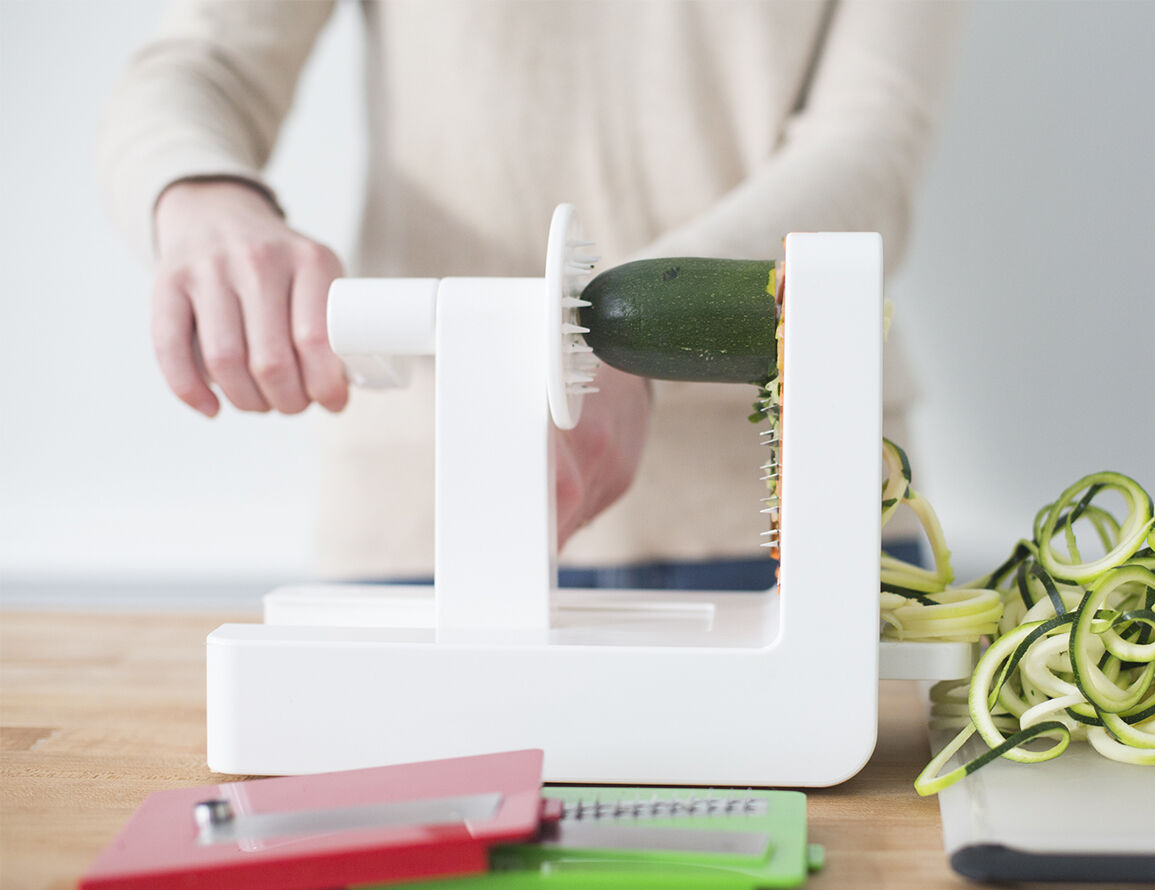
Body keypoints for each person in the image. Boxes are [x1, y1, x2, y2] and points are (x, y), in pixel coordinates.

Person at [98, 0, 960, 586]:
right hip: (427, 516)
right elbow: (201, 63)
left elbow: (873, 137)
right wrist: (203, 194)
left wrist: (635, 344)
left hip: (795, 514)